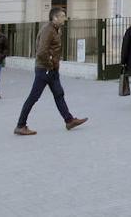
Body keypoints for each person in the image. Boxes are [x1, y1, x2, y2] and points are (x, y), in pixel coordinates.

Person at [14, 7, 88, 135]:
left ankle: (69, 120)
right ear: (55, 18)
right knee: (33, 97)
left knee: (59, 94)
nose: (65, 18)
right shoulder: (48, 30)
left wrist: (53, 66)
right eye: (62, 16)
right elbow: (42, 51)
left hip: (51, 69)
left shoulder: (56, 30)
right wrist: (49, 65)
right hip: (44, 70)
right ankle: (20, 125)